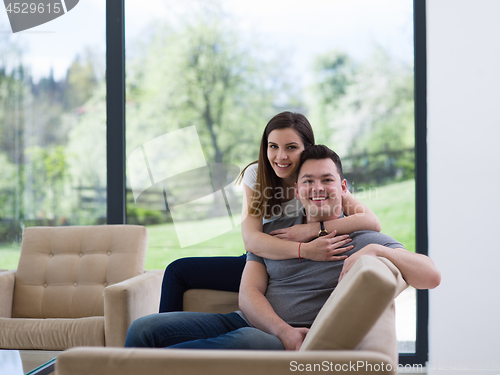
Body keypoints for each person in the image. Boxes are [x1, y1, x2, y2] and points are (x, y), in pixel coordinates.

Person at [125, 145, 440, 350]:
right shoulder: (277, 230)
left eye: (327, 180)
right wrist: (279, 328)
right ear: (298, 188)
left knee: (182, 354)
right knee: (143, 329)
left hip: (269, 339)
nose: (317, 189)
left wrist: (381, 253)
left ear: (343, 188)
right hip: (247, 321)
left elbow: (431, 276)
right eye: (308, 181)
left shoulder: (362, 238)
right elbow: (250, 291)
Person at [159, 112, 380, 312]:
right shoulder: (257, 176)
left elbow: (370, 220)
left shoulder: (316, 178)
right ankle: (157, 352)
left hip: (300, 264)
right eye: (273, 146)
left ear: (307, 148)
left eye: (291, 147)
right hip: (267, 260)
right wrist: (304, 248)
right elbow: (252, 240)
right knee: (178, 271)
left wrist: (312, 229)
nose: (280, 156)